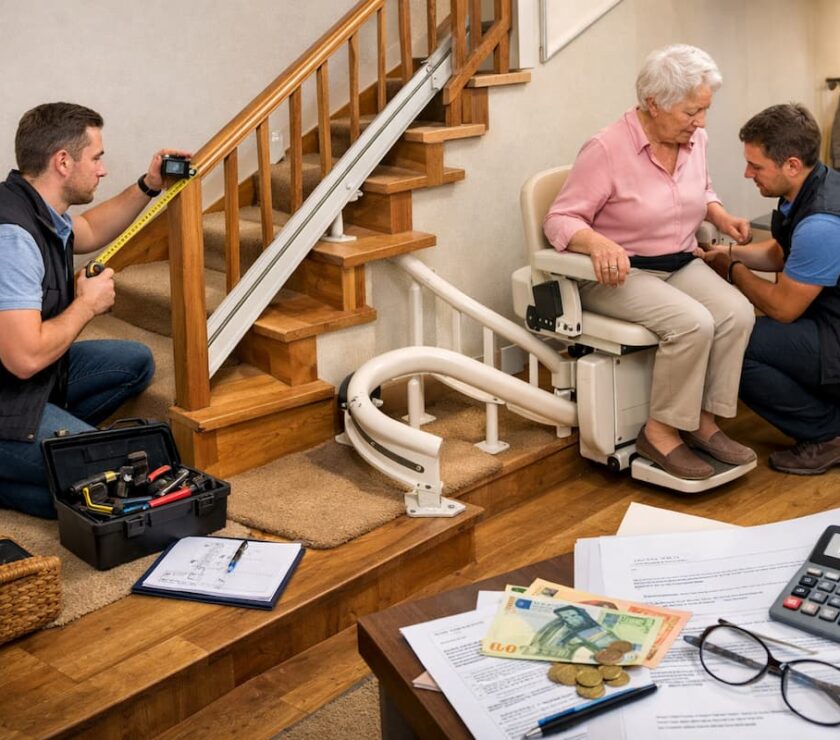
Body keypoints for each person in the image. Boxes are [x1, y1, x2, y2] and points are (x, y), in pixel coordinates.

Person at [543, 44, 756, 481]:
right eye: (691, 112)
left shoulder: (695, 139)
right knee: (693, 322)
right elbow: (559, 219)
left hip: (678, 261)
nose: (701, 123)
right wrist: (597, 243)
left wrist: (719, 214)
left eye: (704, 110)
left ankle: (702, 421)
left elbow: (702, 189)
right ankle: (658, 433)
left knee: (737, 313)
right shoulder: (606, 149)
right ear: (654, 103)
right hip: (621, 272)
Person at [0, 102, 190, 518]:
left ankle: (53, 446)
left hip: (27, 387)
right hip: (10, 394)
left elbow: (88, 230)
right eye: (97, 158)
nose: (102, 169)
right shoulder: (12, 237)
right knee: (109, 482)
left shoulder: (37, 207)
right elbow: (24, 358)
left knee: (135, 361)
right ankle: (30, 464)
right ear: (63, 162)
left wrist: (148, 184)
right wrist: (85, 305)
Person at [698, 104, 840, 475]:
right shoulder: (813, 185)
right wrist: (725, 251)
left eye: (756, 166)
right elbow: (782, 252)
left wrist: (734, 270)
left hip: (835, 339)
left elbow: (782, 308)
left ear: (791, 164)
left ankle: (828, 434)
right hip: (829, 325)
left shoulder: (822, 224)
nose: (747, 173)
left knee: (733, 345)